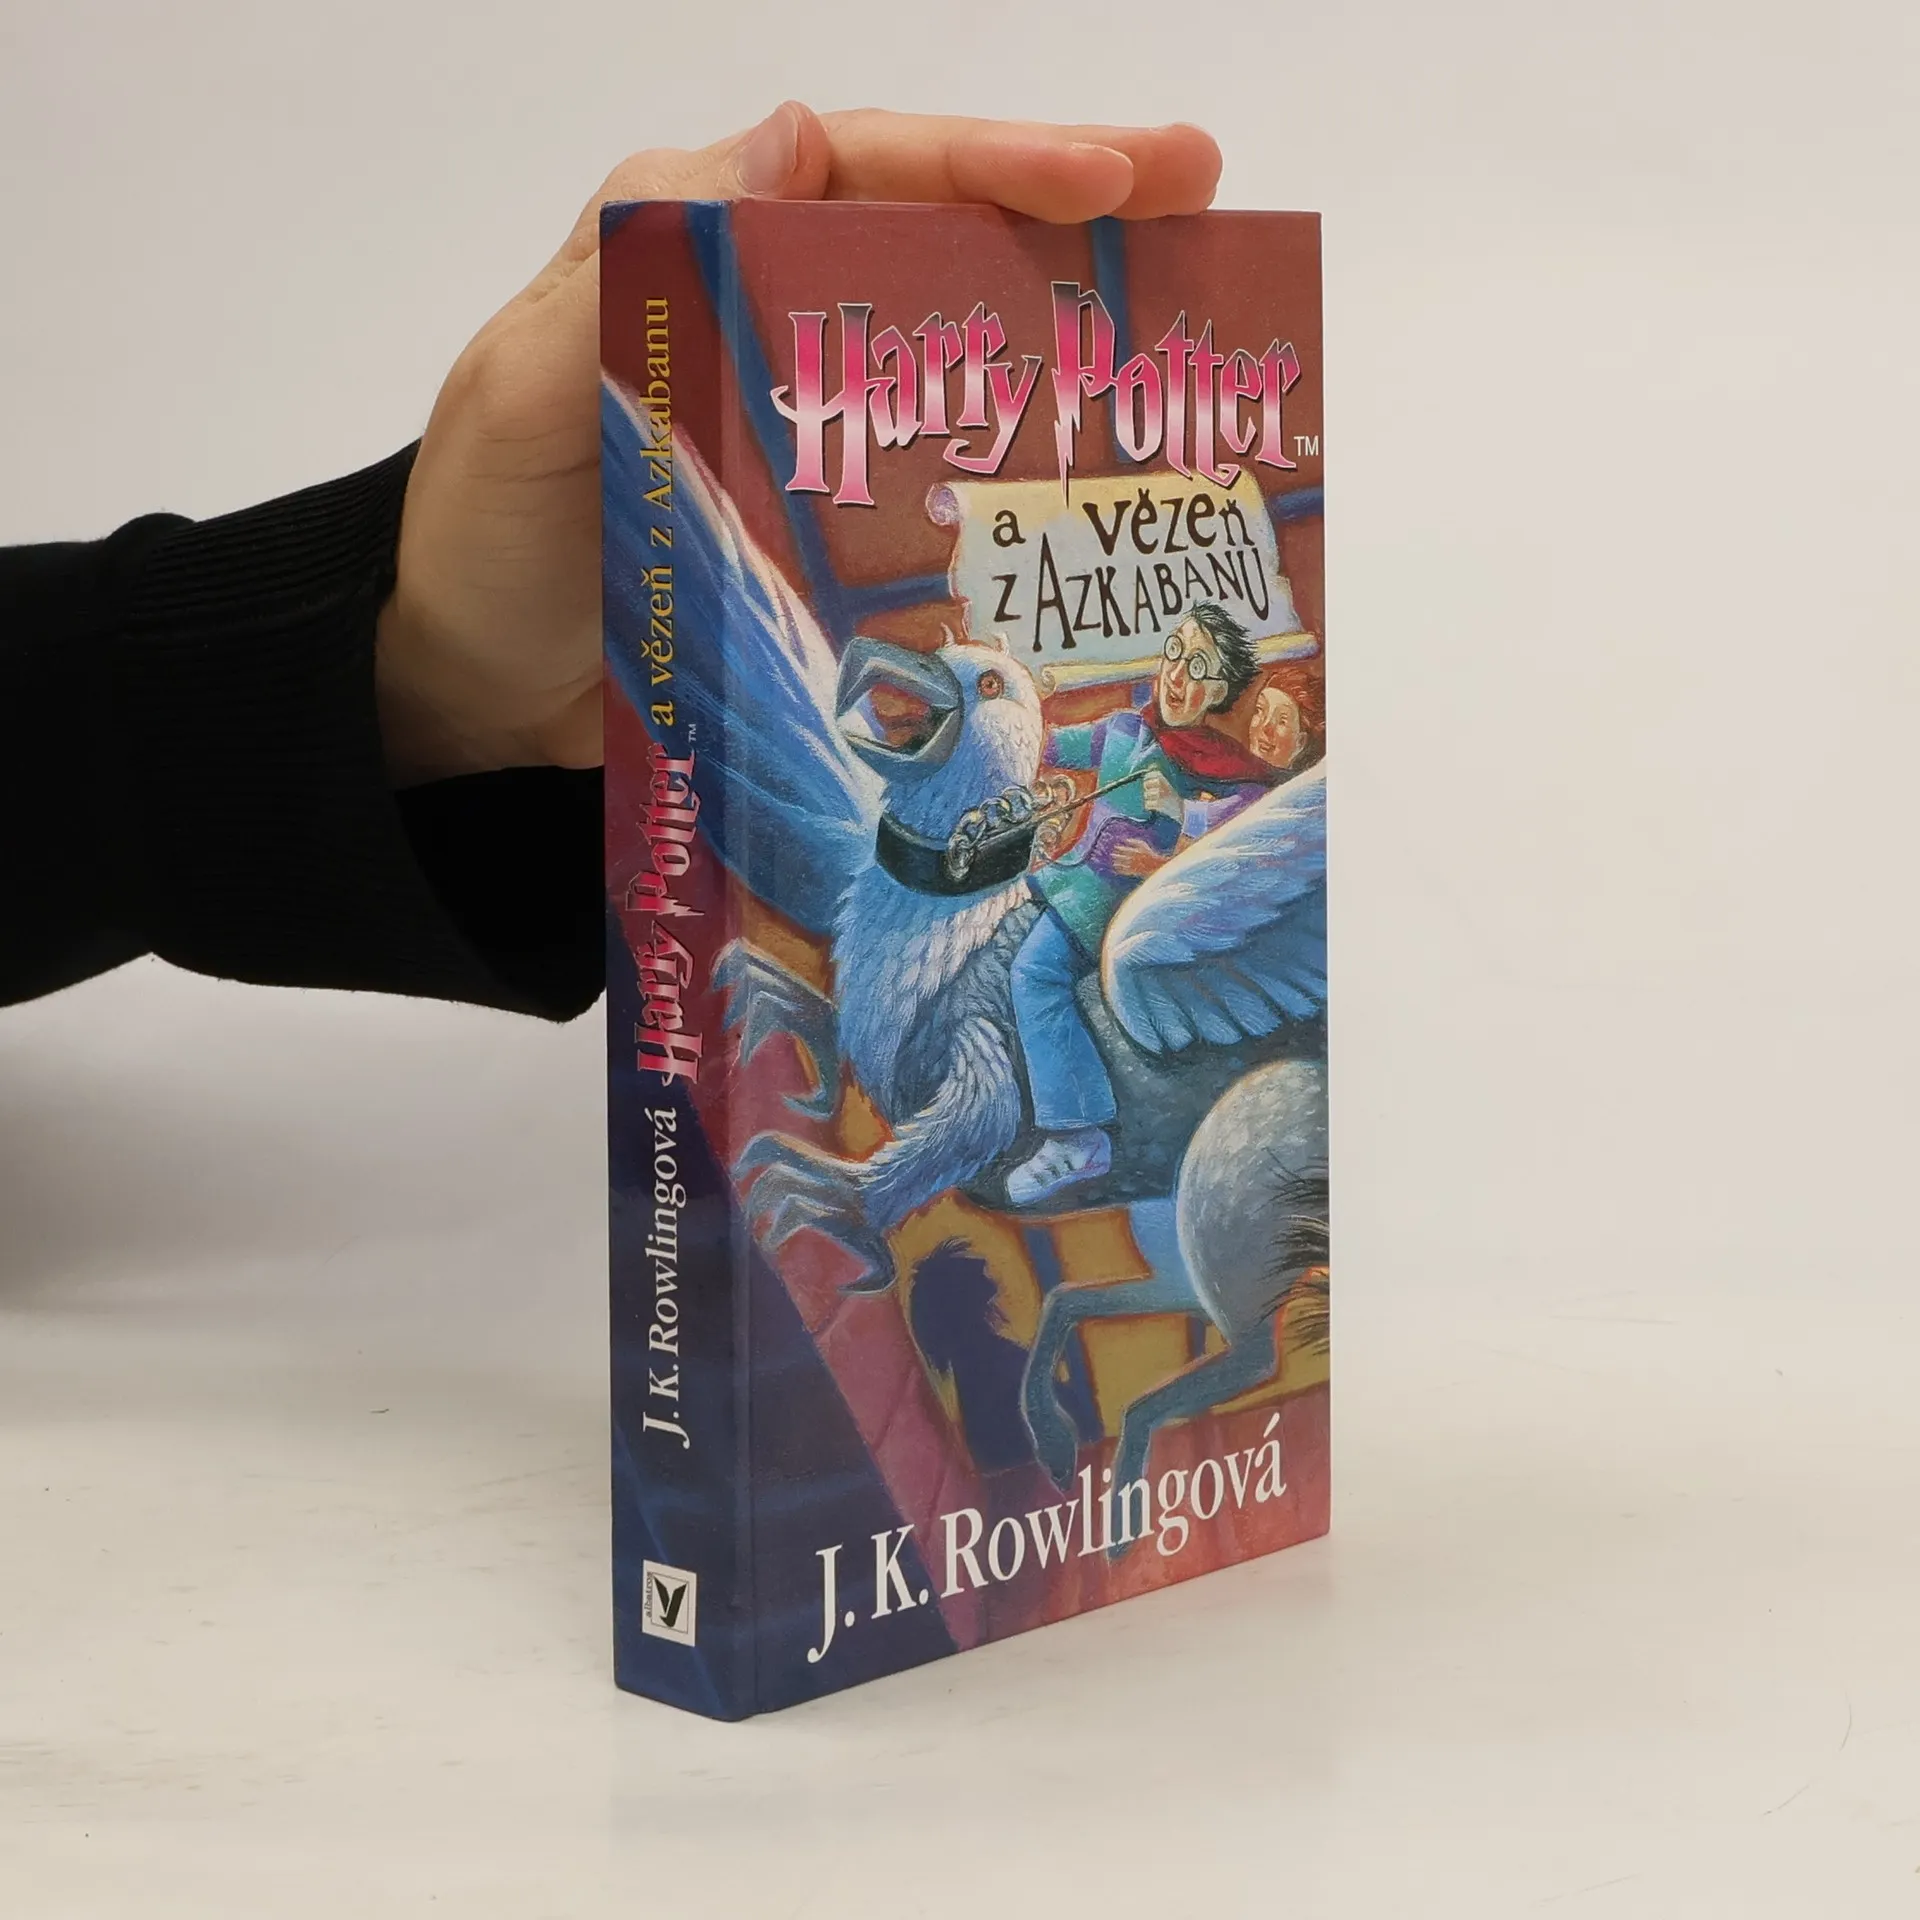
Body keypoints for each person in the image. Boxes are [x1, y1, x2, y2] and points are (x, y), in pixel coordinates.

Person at [0, 105, 1223, 1015]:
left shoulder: (1162, 768)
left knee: (1059, 975)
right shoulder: (1105, 735)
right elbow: (1062, 759)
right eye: (1182, 674)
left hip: (1041, 907)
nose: (1184, 690)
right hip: (948, 864)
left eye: (1209, 689)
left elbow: (1132, 818)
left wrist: (416, 676)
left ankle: (1069, 1124)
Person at [1005, 601, 1287, 1207]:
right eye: (1176, 653)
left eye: (1200, 668)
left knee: (1034, 974)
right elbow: (1051, 745)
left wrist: (1182, 816)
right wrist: (1016, 709)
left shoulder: (1220, 770)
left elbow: (1248, 825)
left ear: (1220, 692)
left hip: (1115, 913)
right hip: (1066, 883)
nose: (1178, 675)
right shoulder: (1123, 730)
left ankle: (1077, 1134)